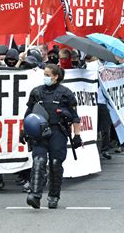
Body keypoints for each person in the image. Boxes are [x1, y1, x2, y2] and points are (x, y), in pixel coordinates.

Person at [23, 64, 82, 209]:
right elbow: (28, 112)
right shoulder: (36, 92)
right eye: (45, 74)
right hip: (39, 132)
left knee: (55, 164)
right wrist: (23, 130)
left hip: (58, 132)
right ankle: (35, 195)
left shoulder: (66, 93)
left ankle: (53, 196)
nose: (45, 77)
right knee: (38, 160)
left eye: (48, 75)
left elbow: (75, 117)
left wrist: (77, 135)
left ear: (56, 77)